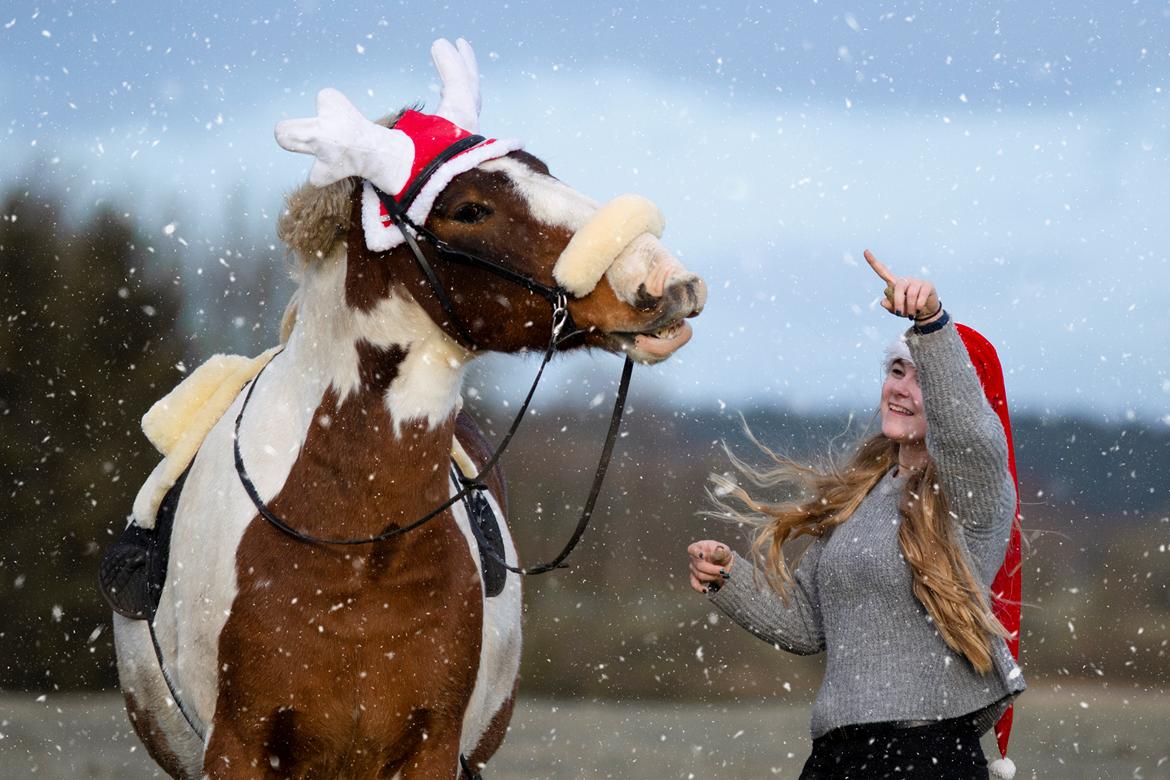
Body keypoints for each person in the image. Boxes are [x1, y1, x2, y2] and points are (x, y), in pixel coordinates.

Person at [689, 251, 1024, 780]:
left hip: (926, 755)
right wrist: (728, 577)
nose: (900, 388)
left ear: (957, 395)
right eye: (896, 370)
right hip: (837, 756)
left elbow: (968, 435)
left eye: (921, 378)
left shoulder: (975, 493)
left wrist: (932, 325)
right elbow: (808, 623)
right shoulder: (863, 496)